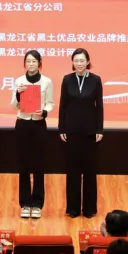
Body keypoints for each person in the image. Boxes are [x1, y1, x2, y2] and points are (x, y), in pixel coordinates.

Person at [59, 47, 104, 219]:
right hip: (71, 131)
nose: (79, 63)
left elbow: (99, 106)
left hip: (90, 131)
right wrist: (62, 128)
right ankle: (73, 208)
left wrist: (99, 129)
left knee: (90, 171)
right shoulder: (67, 79)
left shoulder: (95, 80)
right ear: (72, 62)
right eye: (76, 61)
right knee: (72, 171)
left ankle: (89, 209)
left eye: (82, 60)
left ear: (87, 62)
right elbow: (63, 105)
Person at [12, 49, 54, 219]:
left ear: (39, 63)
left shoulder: (47, 82)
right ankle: (25, 203)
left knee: (38, 165)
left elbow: (50, 103)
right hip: (22, 124)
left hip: (38, 124)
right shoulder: (19, 81)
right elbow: (13, 104)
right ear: (25, 64)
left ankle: (37, 203)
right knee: (23, 165)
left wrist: (44, 112)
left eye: (34, 61)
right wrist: (18, 93)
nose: (31, 64)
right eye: (28, 61)